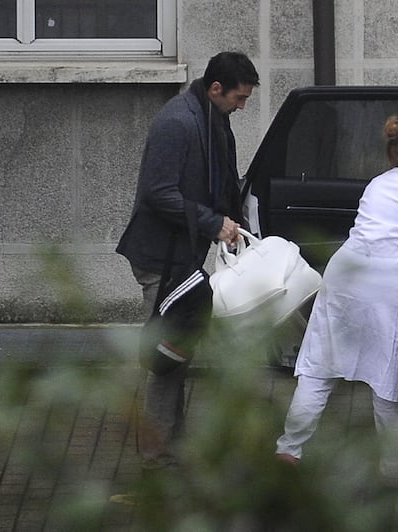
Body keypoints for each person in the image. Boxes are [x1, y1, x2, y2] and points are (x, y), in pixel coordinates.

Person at [275, 115, 398, 479]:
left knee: (319, 368)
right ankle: (393, 468)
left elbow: (394, 240)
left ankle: (290, 448)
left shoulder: (377, 184)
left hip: (344, 272)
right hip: (381, 286)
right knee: (387, 378)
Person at [116, 51, 259, 472]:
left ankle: (168, 446)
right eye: (239, 97)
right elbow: (158, 193)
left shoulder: (212, 117)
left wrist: (237, 225)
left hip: (183, 256)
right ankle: (157, 456)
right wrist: (214, 223)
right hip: (162, 259)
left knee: (178, 351)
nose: (242, 105)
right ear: (216, 89)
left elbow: (223, 182)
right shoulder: (177, 122)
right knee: (168, 355)